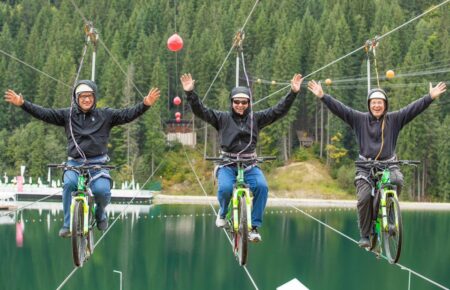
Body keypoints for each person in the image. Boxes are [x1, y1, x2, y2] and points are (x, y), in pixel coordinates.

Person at [4, 80, 160, 237]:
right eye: (82, 96)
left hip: (98, 164)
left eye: (89, 96)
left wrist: (145, 104)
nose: (86, 99)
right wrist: (23, 103)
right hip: (75, 162)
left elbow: (127, 115)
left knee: (101, 191)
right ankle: (67, 224)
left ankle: (100, 213)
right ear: (76, 99)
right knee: (69, 185)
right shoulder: (68, 115)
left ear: (94, 97)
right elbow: (44, 113)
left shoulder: (105, 115)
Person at [307, 80, 447, 247]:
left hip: (389, 165)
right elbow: (340, 109)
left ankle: (391, 212)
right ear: (369, 105)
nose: (376, 106)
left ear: (385, 104)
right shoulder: (359, 119)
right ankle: (365, 235)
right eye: (373, 103)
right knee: (364, 197)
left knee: (396, 180)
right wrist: (323, 96)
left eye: (380, 103)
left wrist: (429, 97)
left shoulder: (394, 119)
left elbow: (412, 109)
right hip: (365, 167)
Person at [180, 73, 304, 242]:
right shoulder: (222, 118)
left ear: (249, 103)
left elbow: (278, 111)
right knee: (224, 189)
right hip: (227, 164)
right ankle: (223, 212)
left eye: (244, 102)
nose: (240, 105)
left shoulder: (257, 119)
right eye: (236, 102)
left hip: (250, 165)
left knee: (262, 187)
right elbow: (201, 111)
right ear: (231, 102)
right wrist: (190, 93)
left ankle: (253, 227)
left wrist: (293, 93)